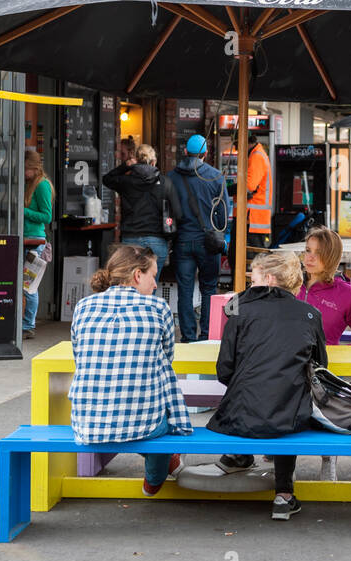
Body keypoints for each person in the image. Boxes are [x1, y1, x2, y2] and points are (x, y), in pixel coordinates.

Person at [210, 251, 327, 521]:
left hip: (239, 414)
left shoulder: (239, 309)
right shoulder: (310, 313)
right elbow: (320, 366)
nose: (250, 284)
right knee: (286, 397)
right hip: (292, 415)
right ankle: (284, 496)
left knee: (258, 396)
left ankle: (239, 456)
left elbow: (224, 370)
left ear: (270, 279)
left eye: (254, 278)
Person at [69, 244, 191, 496]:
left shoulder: (83, 307)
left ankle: (164, 463)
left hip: (88, 423)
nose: (156, 285)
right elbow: (166, 360)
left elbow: (78, 356)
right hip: (143, 423)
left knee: (135, 414)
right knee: (164, 421)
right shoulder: (158, 309)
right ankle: (154, 480)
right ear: (137, 275)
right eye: (153, 276)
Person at [297, 226, 351, 484]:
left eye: (317, 253)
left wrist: (336, 360)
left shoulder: (348, 294)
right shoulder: (290, 285)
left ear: (331, 257)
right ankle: (280, 458)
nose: (309, 258)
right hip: (286, 366)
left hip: (323, 374)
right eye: (307, 251)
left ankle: (329, 457)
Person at [171, 134, 230, 343]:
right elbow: (224, 213)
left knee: (185, 290)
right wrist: (222, 236)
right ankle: (207, 334)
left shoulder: (172, 177)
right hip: (208, 242)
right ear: (206, 153)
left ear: (185, 152)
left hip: (182, 241)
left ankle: (187, 336)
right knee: (208, 289)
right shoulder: (215, 176)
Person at [103, 143, 183, 292]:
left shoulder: (127, 181)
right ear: (154, 162)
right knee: (151, 289)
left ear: (136, 161)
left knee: (127, 288)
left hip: (130, 240)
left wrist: (126, 166)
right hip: (157, 240)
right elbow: (178, 213)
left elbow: (107, 179)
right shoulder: (165, 182)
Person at [22, 150, 53, 339]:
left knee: (29, 286)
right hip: (26, 238)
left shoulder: (42, 186)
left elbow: (47, 216)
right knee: (25, 284)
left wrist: (23, 211)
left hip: (35, 241)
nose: (24, 173)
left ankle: (28, 325)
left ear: (34, 168)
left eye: (26, 169)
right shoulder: (29, 183)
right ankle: (25, 324)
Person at [246, 136, 272, 251]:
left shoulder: (256, 156)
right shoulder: (257, 154)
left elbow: (250, 186)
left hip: (254, 218)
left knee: (254, 258)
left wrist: (232, 189)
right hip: (254, 218)